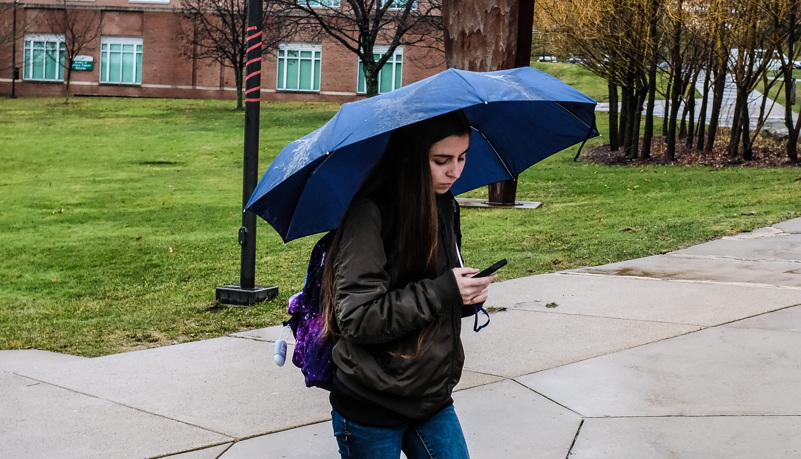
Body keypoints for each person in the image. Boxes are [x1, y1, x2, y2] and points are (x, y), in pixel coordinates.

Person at [320, 109, 498, 458]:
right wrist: (442, 291)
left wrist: (464, 297)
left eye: (462, 157)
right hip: (372, 401)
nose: (455, 171)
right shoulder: (369, 213)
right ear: (412, 156)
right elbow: (357, 318)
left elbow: (433, 290)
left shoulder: (444, 204)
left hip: (430, 395)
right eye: (441, 160)